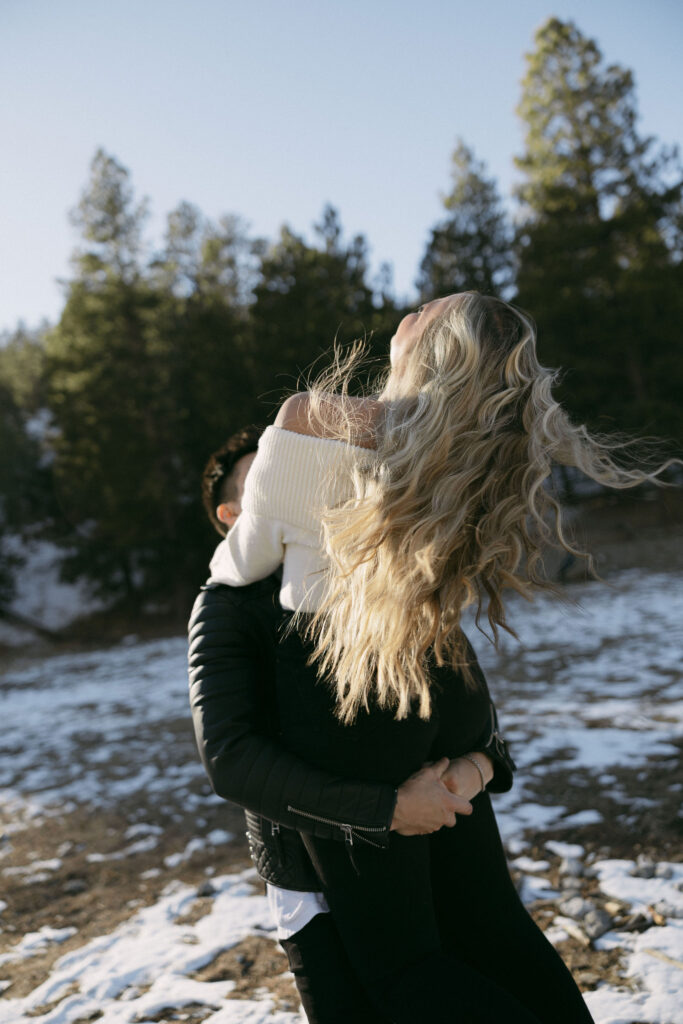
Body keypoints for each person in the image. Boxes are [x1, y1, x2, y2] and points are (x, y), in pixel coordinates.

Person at [208, 291, 680, 1023]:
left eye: (430, 310)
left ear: (439, 347)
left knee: (404, 968)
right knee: (497, 931)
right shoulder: (472, 454)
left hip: (340, 684)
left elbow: (246, 561)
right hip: (430, 679)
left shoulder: (315, 417)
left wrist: (247, 544)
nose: (413, 307)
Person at [189, 425, 517, 1023]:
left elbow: (465, 704)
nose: (291, 491)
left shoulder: (375, 580)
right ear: (234, 514)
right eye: (266, 483)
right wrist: (384, 809)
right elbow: (231, 758)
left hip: (440, 844)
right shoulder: (226, 607)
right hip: (311, 875)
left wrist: (480, 766)